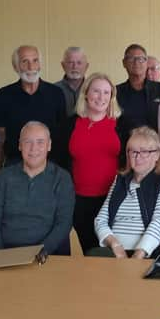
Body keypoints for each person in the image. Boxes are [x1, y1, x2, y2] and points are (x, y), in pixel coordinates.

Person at [0, 121, 75, 255]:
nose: (33, 148)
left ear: (49, 145)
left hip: (48, 256)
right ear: (19, 145)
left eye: (40, 142)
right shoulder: (3, 177)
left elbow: (64, 223)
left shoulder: (62, 178)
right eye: (27, 142)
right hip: (7, 254)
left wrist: (41, 253)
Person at [94, 126, 160, 258]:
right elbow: (100, 220)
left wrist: (139, 253)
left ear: (157, 155)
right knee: (94, 255)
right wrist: (115, 245)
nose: (138, 157)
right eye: (133, 152)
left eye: (144, 152)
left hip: (146, 252)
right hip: (114, 250)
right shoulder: (120, 180)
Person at [0, 45, 68, 174]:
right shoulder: (4, 95)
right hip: (15, 165)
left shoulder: (56, 93)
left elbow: (63, 136)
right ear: (15, 66)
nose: (31, 67)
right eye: (24, 61)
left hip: (50, 165)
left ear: (40, 64)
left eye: (35, 60)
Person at [68, 73, 121, 252]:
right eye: (96, 91)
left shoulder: (122, 124)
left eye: (106, 92)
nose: (101, 97)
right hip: (80, 200)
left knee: (114, 252)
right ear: (86, 94)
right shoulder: (70, 125)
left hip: (114, 199)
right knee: (91, 251)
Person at [116, 44, 160, 167]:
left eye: (141, 59)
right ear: (124, 63)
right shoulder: (116, 92)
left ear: (147, 62)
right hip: (127, 157)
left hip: (156, 157)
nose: (136, 62)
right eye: (131, 58)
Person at [55, 46, 89, 117]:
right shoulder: (52, 90)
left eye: (79, 63)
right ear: (63, 65)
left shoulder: (93, 90)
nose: (75, 67)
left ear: (86, 66)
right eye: (70, 62)